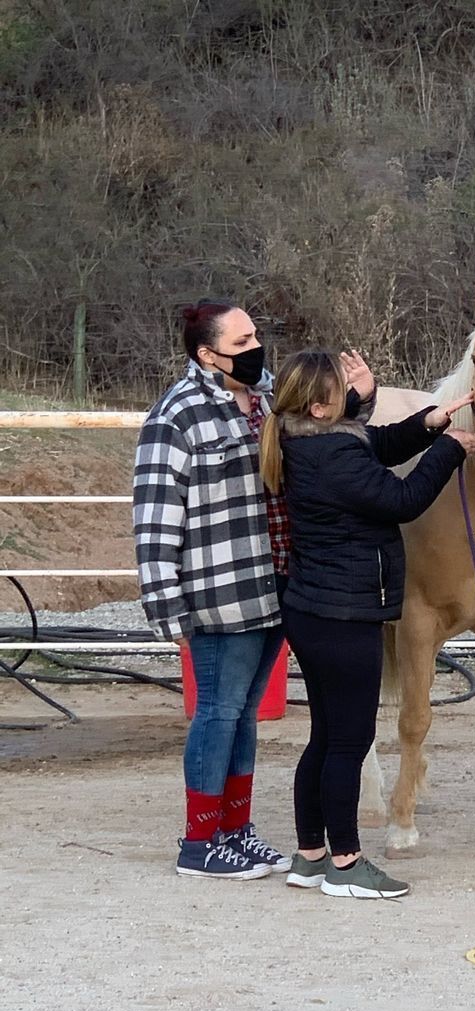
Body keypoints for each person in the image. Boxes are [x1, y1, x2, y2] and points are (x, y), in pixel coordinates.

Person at [260, 349, 475, 899]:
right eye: (341, 391)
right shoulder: (333, 454)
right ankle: (347, 862)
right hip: (345, 615)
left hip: (315, 611)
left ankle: (310, 855)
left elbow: (375, 443)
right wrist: (450, 450)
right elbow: (401, 499)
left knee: (325, 737)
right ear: (318, 406)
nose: (351, 397)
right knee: (349, 742)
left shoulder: (306, 440)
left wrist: (428, 423)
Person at [133, 299, 293, 880]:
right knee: (217, 713)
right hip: (220, 592)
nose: (255, 349)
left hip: (274, 585)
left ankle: (236, 830)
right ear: (207, 354)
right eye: (241, 341)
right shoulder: (176, 416)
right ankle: (199, 842)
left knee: (245, 715)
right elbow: (155, 518)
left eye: (255, 337)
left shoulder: (272, 397)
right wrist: (165, 604)